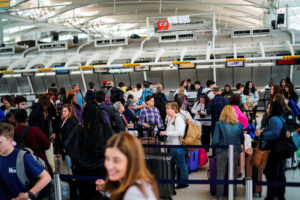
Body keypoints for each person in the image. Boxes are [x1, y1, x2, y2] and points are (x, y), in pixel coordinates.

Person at [95, 132, 159, 200]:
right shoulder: (133, 184)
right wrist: (108, 190)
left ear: (131, 161)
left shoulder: (134, 193)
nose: (109, 166)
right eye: (107, 158)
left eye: (116, 160)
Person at [0, 123, 51, 199]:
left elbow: (46, 177)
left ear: (10, 141)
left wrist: (28, 194)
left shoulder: (23, 158)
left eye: (0, 143)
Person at [255, 101, 286, 200]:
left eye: (269, 107)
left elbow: (274, 134)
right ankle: (280, 194)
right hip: (282, 149)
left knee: (271, 174)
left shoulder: (273, 119)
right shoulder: (281, 118)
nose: (267, 109)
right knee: (280, 173)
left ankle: (271, 195)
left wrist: (262, 134)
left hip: (274, 150)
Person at [212, 105, 244, 198]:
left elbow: (215, 141)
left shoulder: (219, 124)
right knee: (233, 173)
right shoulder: (239, 125)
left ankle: (219, 196)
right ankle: (233, 194)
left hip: (222, 151)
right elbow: (242, 140)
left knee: (220, 173)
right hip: (235, 150)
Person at [160, 102, 189, 190]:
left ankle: (184, 183)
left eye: (168, 108)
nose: (166, 110)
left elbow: (180, 132)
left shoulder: (178, 119)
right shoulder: (170, 118)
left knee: (181, 164)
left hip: (177, 145)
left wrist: (166, 133)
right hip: (172, 145)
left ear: (174, 109)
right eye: (166, 108)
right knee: (179, 165)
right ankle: (180, 182)